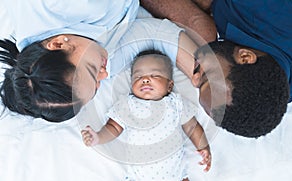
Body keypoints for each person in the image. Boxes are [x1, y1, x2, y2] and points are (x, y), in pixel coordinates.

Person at [0, 0, 206, 122]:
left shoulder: (62, 5)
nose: (105, 74)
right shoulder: (86, 64)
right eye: (97, 86)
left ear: (58, 44)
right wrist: (202, 78)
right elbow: (152, 33)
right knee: (204, 32)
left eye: (92, 71)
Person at [138, 0, 292, 137]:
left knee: (202, 36)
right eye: (206, 77)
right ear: (245, 57)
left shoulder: (269, 92)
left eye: (199, 85)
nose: (194, 80)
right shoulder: (272, 11)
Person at [81, 50, 211, 181]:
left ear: (170, 85)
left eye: (155, 75)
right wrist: (98, 137)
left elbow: (192, 127)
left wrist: (203, 146)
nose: (145, 80)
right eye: (138, 77)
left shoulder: (176, 103)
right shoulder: (127, 105)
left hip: (175, 175)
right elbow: (113, 128)